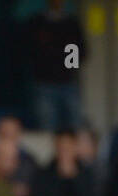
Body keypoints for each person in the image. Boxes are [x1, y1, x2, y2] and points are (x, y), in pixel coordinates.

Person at [27, 0, 85, 131]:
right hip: (43, 83)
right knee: (46, 125)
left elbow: (79, 50)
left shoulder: (71, 24)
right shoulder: (37, 23)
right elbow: (30, 52)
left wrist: (69, 68)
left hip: (67, 82)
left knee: (74, 124)